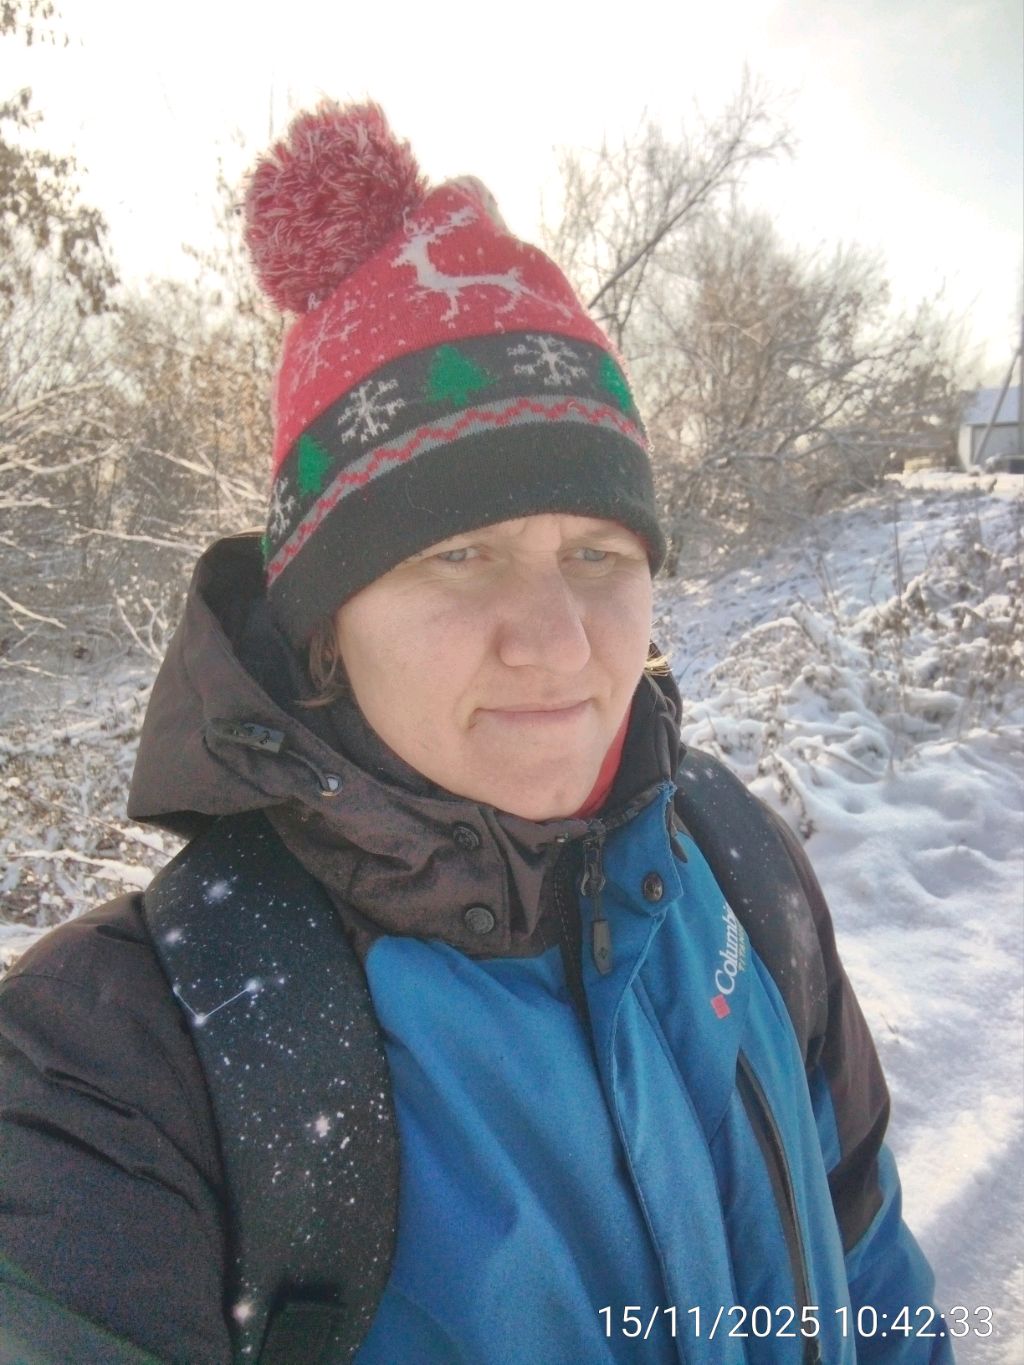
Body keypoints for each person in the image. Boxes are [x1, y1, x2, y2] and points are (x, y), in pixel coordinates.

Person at [0, 101, 950, 1364]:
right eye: (459, 554)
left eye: (596, 552)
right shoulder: (113, 1064)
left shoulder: (738, 867)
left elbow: (869, 1271)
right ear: (325, 623)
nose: (555, 641)